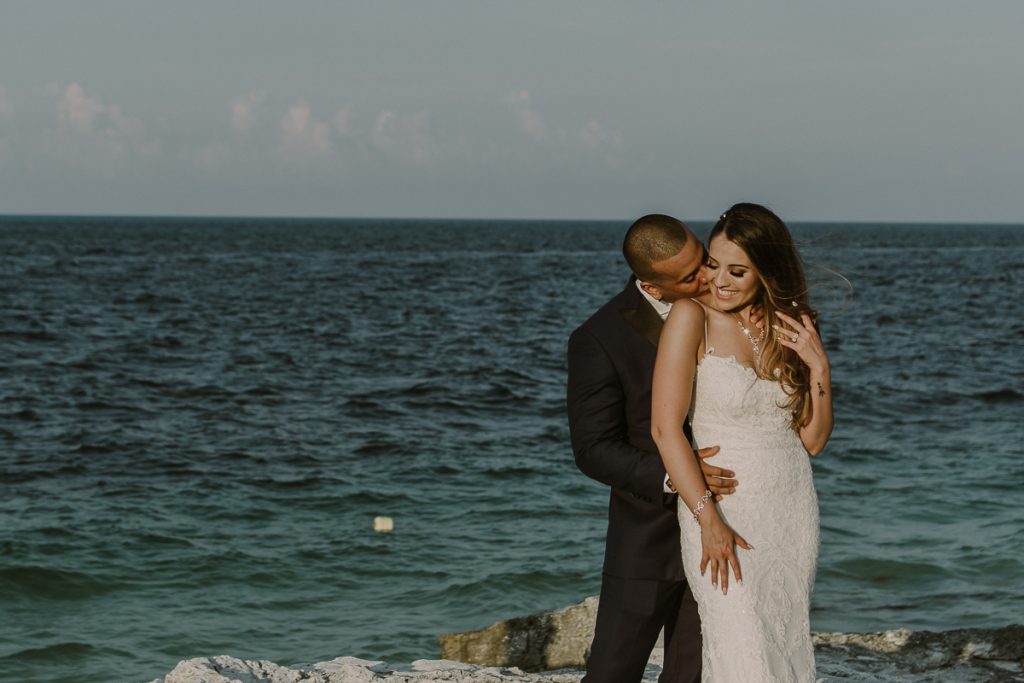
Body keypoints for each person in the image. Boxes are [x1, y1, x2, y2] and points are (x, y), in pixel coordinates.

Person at [651, 203, 833, 682]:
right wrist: (707, 517)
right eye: (712, 264)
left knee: (783, 642)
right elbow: (665, 429)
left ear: (766, 271)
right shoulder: (692, 316)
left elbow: (812, 441)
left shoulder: (789, 325)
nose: (719, 281)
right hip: (724, 512)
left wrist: (819, 368)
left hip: (791, 512)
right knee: (740, 646)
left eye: (737, 270)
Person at [567, 214, 740, 683]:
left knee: (696, 675)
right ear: (653, 285)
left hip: (730, 526)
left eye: (702, 259)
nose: (708, 276)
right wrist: (675, 478)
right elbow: (594, 449)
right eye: (690, 277)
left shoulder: (732, 308)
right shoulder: (599, 339)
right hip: (648, 535)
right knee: (612, 674)